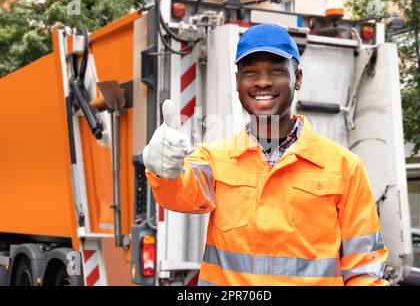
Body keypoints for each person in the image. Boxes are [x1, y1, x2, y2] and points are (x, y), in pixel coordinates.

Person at [143, 24, 389, 286]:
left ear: (298, 78)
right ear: (237, 83)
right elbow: (181, 191)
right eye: (251, 72)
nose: (262, 81)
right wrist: (164, 170)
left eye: (276, 70)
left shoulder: (345, 168)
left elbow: (365, 269)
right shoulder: (214, 160)